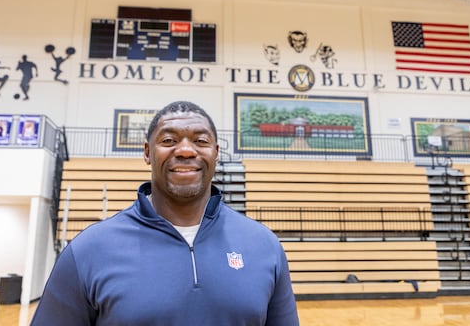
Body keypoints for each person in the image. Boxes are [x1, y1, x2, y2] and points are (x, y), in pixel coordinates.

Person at [31, 101, 300, 326]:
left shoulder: (264, 245)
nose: (185, 150)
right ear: (148, 153)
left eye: (200, 140)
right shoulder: (88, 250)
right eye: (169, 140)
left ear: (215, 153)